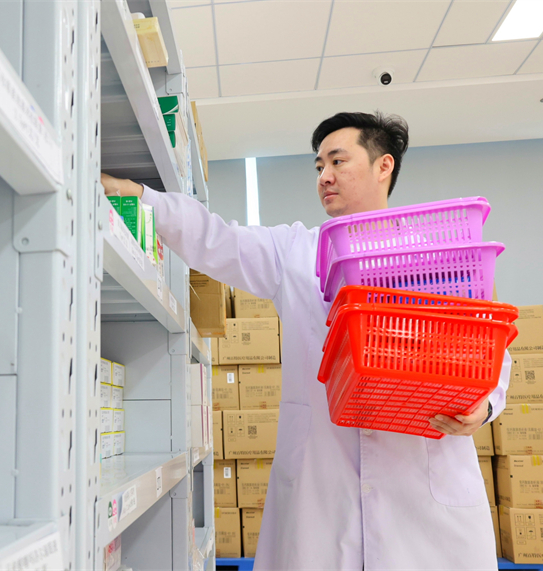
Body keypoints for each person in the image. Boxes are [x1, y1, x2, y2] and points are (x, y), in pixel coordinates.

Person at [101, 111, 510, 571]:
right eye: (319, 166)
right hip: (323, 488)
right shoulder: (294, 252)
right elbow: (216, 239)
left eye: (338, 161)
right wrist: (141, 197)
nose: (325, 176)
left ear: (384, 166)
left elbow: (491, 349)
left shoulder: (439, 254)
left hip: (422, 492)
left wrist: (485, 406)